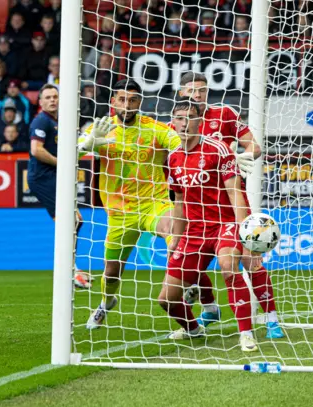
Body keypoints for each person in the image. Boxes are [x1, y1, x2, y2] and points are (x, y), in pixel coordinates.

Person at [177, 72, 283, 339]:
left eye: (201, 90)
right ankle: (210, 307)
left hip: (230, 197)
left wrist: (238, 157)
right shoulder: (176, 124)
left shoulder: (223, 114)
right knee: (189, 255)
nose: (196, 95)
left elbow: (255, 148)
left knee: (249, 259)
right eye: (191, 90)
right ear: (181, 93)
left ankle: (271, 319)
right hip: (196, 205)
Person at [78, 79, 181, 328]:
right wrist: (87, 145)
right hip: (119, 212)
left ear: (139, 103)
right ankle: (106, 302)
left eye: (133, 100)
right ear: (113, 102)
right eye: (122, 99)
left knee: (175, 235)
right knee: (112, 271)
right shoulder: (101, 128)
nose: (127, 104)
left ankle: (186, 286)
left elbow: (181, 146)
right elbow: (71, 154)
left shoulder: (154, 128)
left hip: (154, 203)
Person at [164, 98, 258, 352]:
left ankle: (246, 333)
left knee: (228, 265)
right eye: (179, 118)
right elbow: (180, 202)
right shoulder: (172, 159)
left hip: (223, 223)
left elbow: (235, 193)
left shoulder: (219, 150)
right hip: (194, 230)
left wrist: (245, 232)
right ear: (173, 123)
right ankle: (192, 328)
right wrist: (175, 238)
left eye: (190, 118)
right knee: (167, 300)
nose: (184, 123)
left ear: (199, 121)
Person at [27, 84, 91, 289]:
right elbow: (36, 150)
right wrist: (61, 163)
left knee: (76, 221)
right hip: (43, 177)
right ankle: (69, 270)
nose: (53, 100)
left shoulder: (59, 121)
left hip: (55, 176)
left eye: (55, 96)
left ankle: (70, 267)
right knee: (70, 220)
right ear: (41, 102)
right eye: (48, 97)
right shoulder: (41, 121)